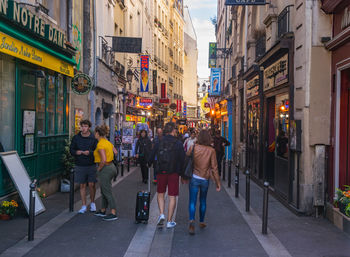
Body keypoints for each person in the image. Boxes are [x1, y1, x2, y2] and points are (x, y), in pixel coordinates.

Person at [149, 122, 185, 228]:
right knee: (172, 196)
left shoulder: (159, 141)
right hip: (173, 172)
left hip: (161, 171)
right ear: (173, 130)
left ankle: (161, 214)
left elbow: (152, 154)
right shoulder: (178, 143)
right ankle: (169, 221)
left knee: (160, 193)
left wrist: (149, 163)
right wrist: (183, 174)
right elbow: (182, 159)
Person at [186, 130, 221, 235]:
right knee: (203, 201)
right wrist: (217, 183)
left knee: (192, 201)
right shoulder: (211, 150)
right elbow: (214, 168)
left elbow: (187, 155)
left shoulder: (194, 147)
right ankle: (201, 221)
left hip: (194, 177)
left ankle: (192, 220)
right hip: (205, 179)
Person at [70, 120, 98, 214]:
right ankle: (83, 205)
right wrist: (76, 152)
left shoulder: (93, 138)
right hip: (80, 164)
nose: (83, 128)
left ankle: (93, 202)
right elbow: (71, 150)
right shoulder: (76, 138)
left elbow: (97, 151)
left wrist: (89, 153)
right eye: (82, 126)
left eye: (85, 126)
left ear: (89, 127)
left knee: (91, 184)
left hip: (91, 164)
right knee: (82, 185)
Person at [93, 125, 119, 221]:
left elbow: (103, 160)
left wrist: (99, 169)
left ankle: (113, 212)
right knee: (104, 189)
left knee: (107, 191)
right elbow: (115, 152)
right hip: (112, 167)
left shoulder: (100, 144)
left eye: (95, 133)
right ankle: (103, 210)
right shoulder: (108, 142)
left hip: (105, 168)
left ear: (98, 133)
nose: (94, 134)